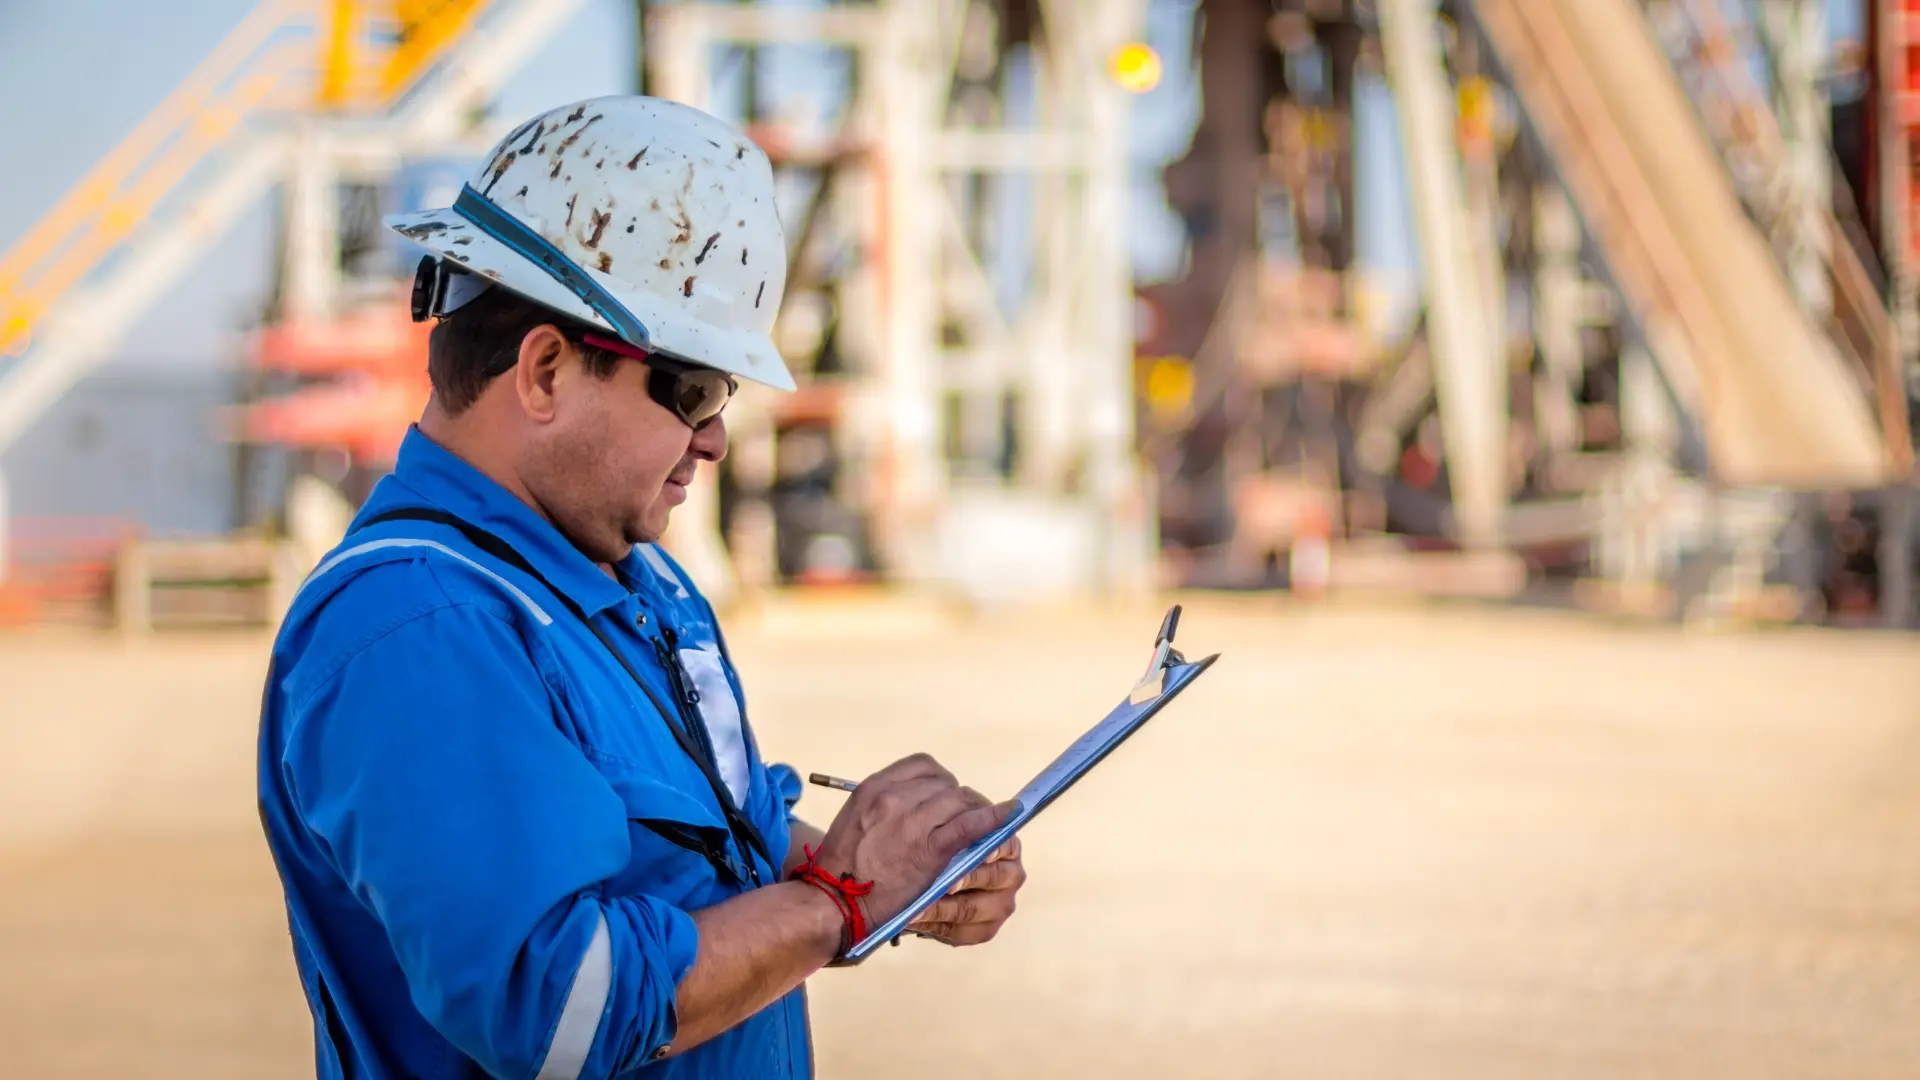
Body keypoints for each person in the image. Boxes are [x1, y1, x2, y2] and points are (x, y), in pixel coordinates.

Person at [256, 95, 1027, 1080]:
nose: (713, 438)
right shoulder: (420, 629)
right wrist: (838, 906)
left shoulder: (630, 580)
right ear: (543, 370)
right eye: (694, 390)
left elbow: (701, 852)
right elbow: (557, 1008)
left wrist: (895, 864)